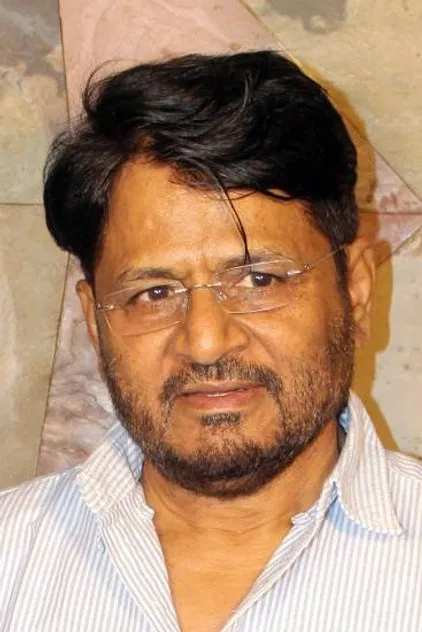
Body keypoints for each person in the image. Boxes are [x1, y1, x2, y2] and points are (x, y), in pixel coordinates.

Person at [0, 51, 421, 632]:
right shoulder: (11, 561)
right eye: (154, 293)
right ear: (95, 323)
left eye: (258, 280)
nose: (205, 342)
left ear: (355, 291)